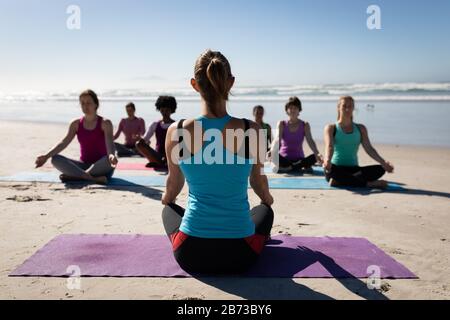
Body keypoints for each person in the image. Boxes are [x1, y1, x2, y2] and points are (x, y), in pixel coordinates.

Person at [161, 50, 274, 274]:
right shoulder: (251, 129)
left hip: (191, 254)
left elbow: (173, 185)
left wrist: (168, 200)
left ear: (194, 84)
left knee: (168, 210)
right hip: (241, 255)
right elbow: (258, 182)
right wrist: (267, 201)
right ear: (230, 83)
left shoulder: (178, 131)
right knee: (264, 211)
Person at [35, 90, 118, 184]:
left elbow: (110, 143)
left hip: (101, 167)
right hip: (82, 166)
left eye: (88, 103)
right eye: (82, 103)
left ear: (96, 104)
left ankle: (76, 176)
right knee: (55, 159)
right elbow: (64, 142)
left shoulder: (105, 123)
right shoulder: (76, 124)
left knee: (108, 160)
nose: (85, 106)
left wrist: (111, 156)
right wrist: (46, 156)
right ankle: (90, 178)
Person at [323, 96, 394, 189]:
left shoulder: (360, 128)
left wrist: (383, 162)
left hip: (354, 169)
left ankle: (340, 181)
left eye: (350, 106)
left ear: (353, 108)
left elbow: (369, 148)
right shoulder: (331, 128)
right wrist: (327, 160)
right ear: (338, 107)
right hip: (336, 169)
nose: (347, 109)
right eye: (344, 106)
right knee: (331, 170)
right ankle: (369, 184)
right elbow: (329, 146)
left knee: (380, 169)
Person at [270, 97, 323, 173]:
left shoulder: (305, 125)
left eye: (295, 108)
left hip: (299, 159)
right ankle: (297, 167)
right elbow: (277, 139)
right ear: (287, 111)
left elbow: (310, 141)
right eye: (290, 108)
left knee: (315, 156)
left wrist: (317, 153)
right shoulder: (282, 124)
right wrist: (272, 151)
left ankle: (289, 168)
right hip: (284, 159)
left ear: (299, 110)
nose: (293, 110)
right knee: (273, 154)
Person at [135, 96, 176, 169]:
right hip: (158, 155)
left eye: (167, 110)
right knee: (139, 144)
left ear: (171, 110)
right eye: (162, 110)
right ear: (159, 110)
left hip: (172, 155)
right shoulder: (155, 124)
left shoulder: (176, 125)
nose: (164, 113)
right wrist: (140, 138)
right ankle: (156, 161)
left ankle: (158, 162)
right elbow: (145, 139)